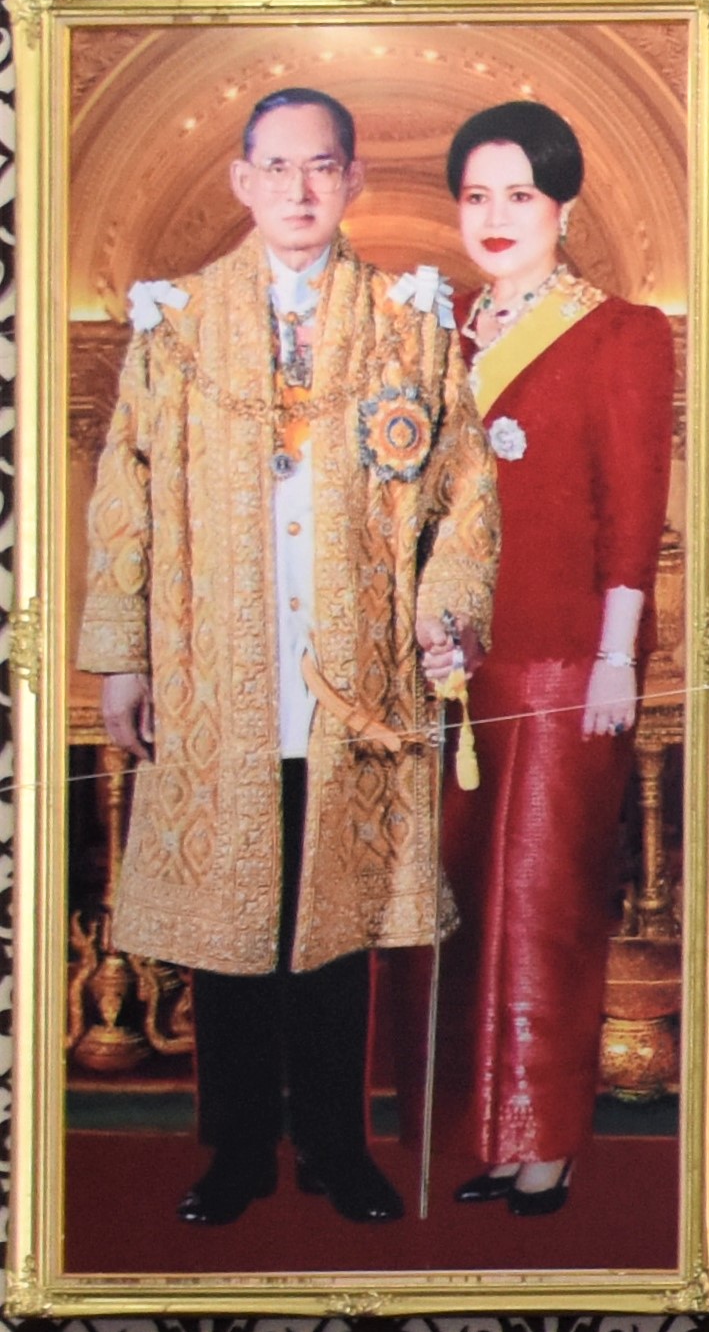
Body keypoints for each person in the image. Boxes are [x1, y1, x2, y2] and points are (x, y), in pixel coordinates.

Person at [75, 84, 495, 1233]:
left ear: (351, 178)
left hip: (357, 677)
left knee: (334, 926)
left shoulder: (408, 323)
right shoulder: (175, 326)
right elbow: (124, 494)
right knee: (233, 927)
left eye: (321, 167)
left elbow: (465, 489)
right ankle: (237, 1152)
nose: (299, 190)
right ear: (243, 180)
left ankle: (333, 1146)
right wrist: (121, 656)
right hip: (217, 672)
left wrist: (447, 608)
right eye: (278, 167)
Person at [436, 99, 670, 1218]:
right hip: (454, 663)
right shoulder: (437, 331)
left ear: (563, 207)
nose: (496, 215)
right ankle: (489, 1135)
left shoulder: (620, 332)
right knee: (468, 905)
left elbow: (634, 507)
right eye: (476, 195)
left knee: (544, 901)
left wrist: (616, 652)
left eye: (520, 194)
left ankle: (547, 1145)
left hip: (569, 657)